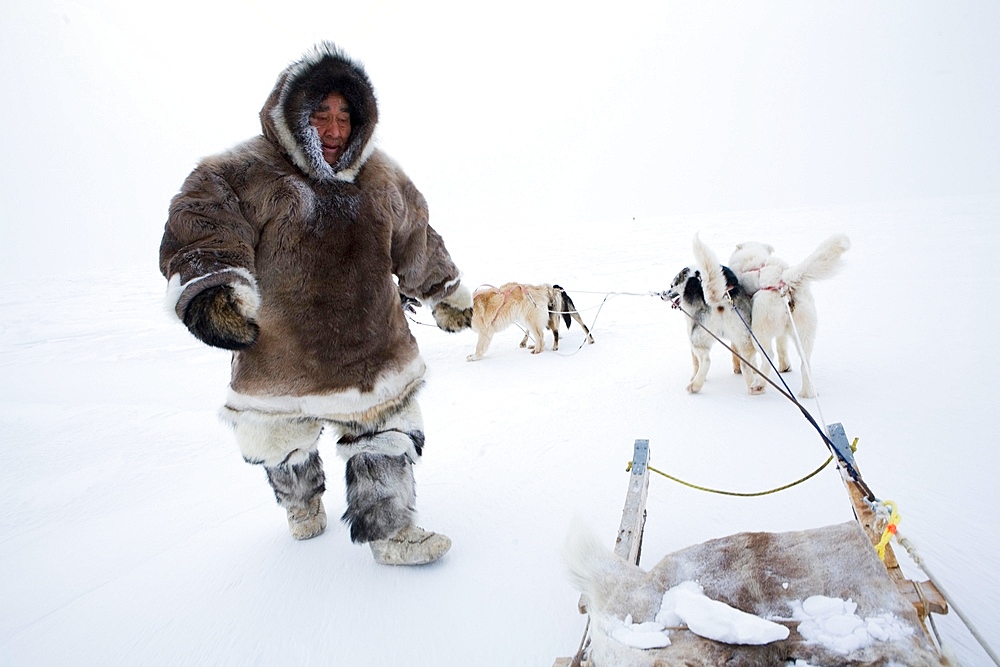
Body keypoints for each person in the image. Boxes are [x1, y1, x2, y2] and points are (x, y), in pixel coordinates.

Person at [159, 42, 472, 566]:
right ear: (292, 116)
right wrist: (214, 292)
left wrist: (446, 293)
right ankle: (301, 502)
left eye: (344, 116)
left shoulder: (382, 177)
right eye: (320, 115)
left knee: (385, 435)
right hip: (283, 358)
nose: (333, 130)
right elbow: (202, 229)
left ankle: (391, 531)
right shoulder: (240, 172)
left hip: (372, 348)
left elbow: (416, 239)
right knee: (284, 446)